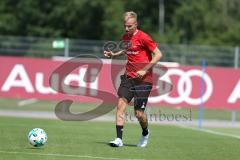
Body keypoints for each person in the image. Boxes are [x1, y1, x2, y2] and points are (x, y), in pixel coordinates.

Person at [104, 11, 162, 147]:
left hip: (144, 80)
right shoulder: (126, 37)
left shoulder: (144, 37)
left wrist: (144, 69)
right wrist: (114, 54)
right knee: (120, 106)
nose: (126, 29)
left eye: (129, 26)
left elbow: (158, 54)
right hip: (128, 77)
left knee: (139, 113)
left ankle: (145, 132)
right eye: (125, 26)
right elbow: (126, 50)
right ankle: (119, 139)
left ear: (136, 24)